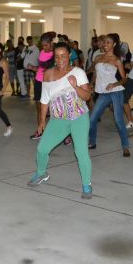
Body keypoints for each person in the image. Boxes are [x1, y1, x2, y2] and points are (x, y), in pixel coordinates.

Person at [28, 41, 93, 199]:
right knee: (42, 149)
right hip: (58, 119)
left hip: (79, 117)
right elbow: (44, 100)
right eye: (57, 56)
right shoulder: (48, 74)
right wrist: (42, 121)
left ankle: (87, 184)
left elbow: (87, 96)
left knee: (81, 152)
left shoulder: (78, 72)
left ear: (69, 55)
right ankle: (42, 173)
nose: (60, 59)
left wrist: (75, 86)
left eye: (63, 56)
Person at [88, 35, 130, 157]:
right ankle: (92, 142)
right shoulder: (98, 58)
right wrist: (91, 84)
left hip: (116, 92)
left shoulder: (117, 60)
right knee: (92, 119)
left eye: (108, 42)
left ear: (114, 44)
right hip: (103, 93)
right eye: (104, 42)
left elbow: (124, 79)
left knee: (118, 120)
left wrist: (115, 84)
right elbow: (95, 74)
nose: (105, 44)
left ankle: (125, 146)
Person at [29, 32, 55, 140]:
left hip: (50, 83)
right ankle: (40, 131)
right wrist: (33, 68)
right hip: (39, 81)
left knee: (55, 109)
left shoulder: (56, 53)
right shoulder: (42, 52)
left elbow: (52, 68)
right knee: (39, 109)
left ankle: (61, 133)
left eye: (46, 45)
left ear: (51, 43)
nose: (44, 47)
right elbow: (41, 68)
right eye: (42, 45)